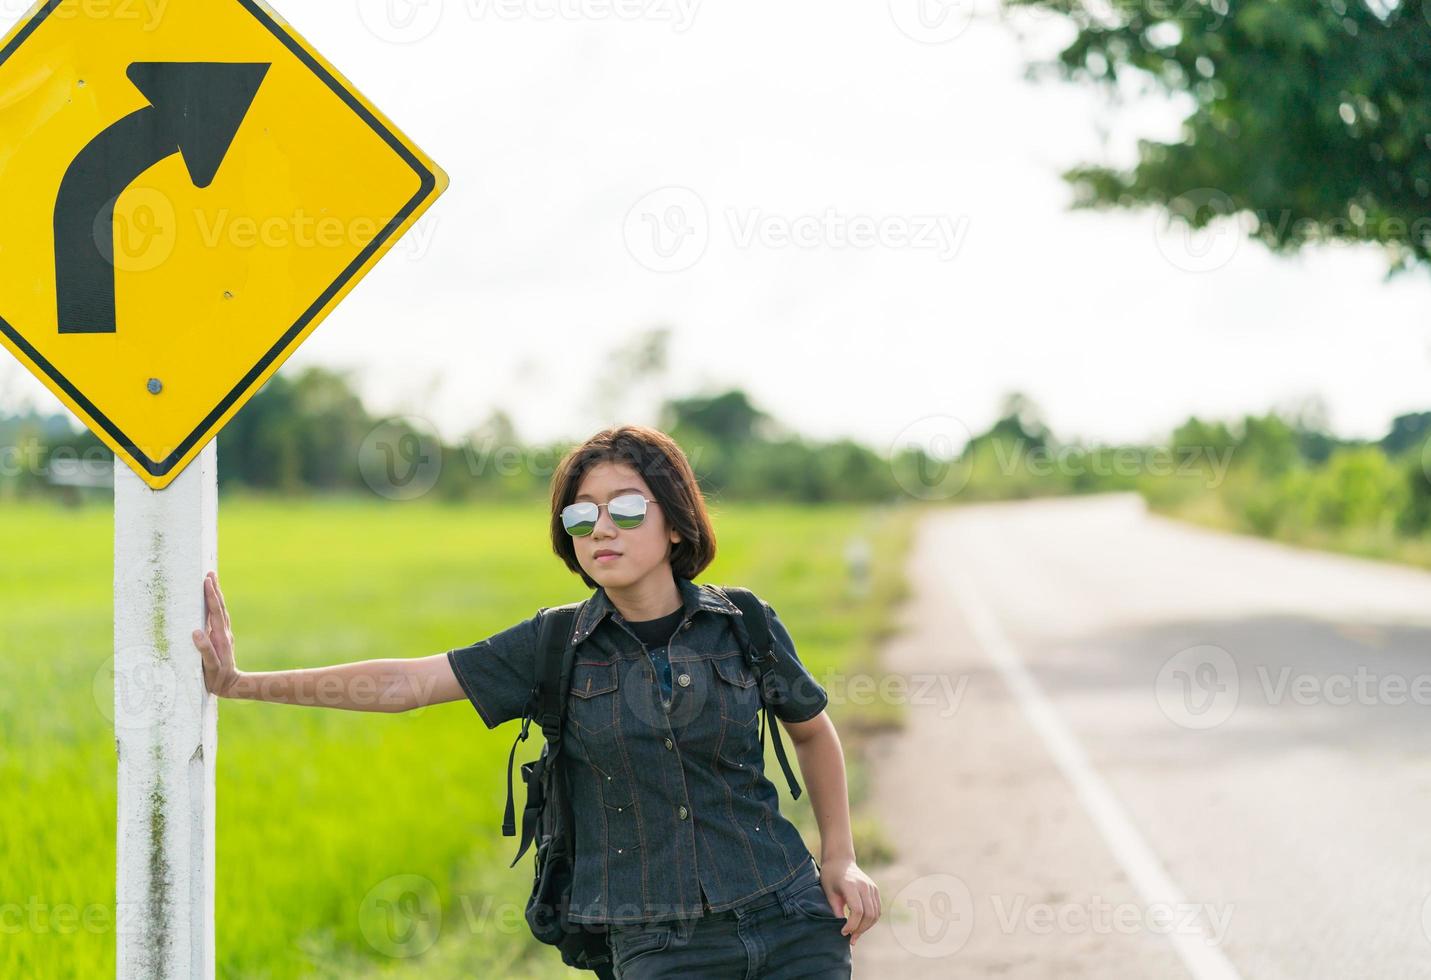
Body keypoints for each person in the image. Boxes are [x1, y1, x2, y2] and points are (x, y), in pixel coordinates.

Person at [191, 424, 880, 978]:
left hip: (790, 920)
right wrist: (242, 682)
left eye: (628, 508)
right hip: (658, 945)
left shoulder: (744, 622)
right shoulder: (555, 645)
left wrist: (838, 858)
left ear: (675, 523)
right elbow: (407, 684)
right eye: (582, 515)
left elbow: (812, 733)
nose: (602, 528)